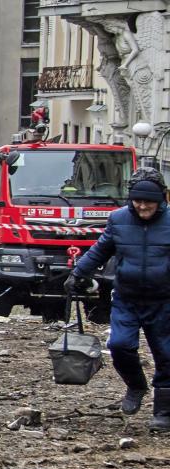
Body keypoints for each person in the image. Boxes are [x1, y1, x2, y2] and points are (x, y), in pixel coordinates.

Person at [66, 167, 170, 431]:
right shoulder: (119, 220)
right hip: (127, 298)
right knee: (120, 345)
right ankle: (136, 386)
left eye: (149, 201)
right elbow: (101, 250)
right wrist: (78, 273)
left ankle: (163, 413)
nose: (143, 206)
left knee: (166, 355)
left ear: (161, 200)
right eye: (138, 200)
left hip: (163, 301)